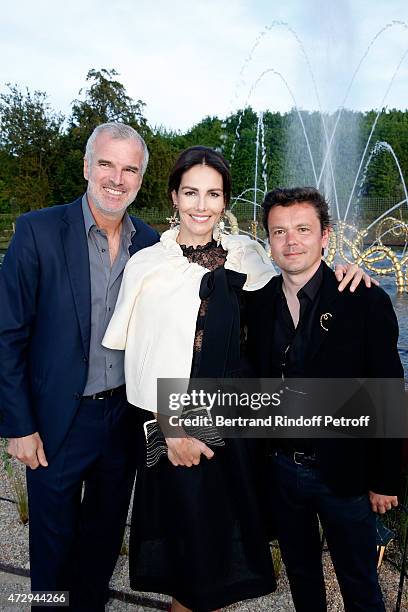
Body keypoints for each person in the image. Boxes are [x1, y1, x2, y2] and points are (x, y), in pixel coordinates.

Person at [103, 149, 372, 612]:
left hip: (238, 431)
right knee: (187, 555)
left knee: (226, 551)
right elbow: (138, 359)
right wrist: (170, 431)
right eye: (191, 192)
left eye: (213, 193)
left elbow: (298, 283)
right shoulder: (147, 265)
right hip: (174, 426)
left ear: (225, 201)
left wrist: (347, 272)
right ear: (174, 196)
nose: (201, 205)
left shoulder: (248, 255)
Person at [0, 122, 159, 610]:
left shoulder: (151, 245)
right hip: (54, 423)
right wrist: (19, 426)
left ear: (139, 178)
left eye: (129, 168)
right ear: (88, 166)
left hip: (122, 423)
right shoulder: (38, 230)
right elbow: (7, 336)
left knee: (103, 542)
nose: (117, 178)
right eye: (107, 164)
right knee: (51, 548)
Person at [246, 186, 404, 612]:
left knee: (360, 582)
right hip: (281, 470)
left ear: (325, 236)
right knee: (301, 578)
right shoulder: (258, 305)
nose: (290, 241)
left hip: (345, 474)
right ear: (268, 239)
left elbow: (388, 389)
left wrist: (386, 479)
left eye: (302, 229)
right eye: (279, 231)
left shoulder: (364, 299)